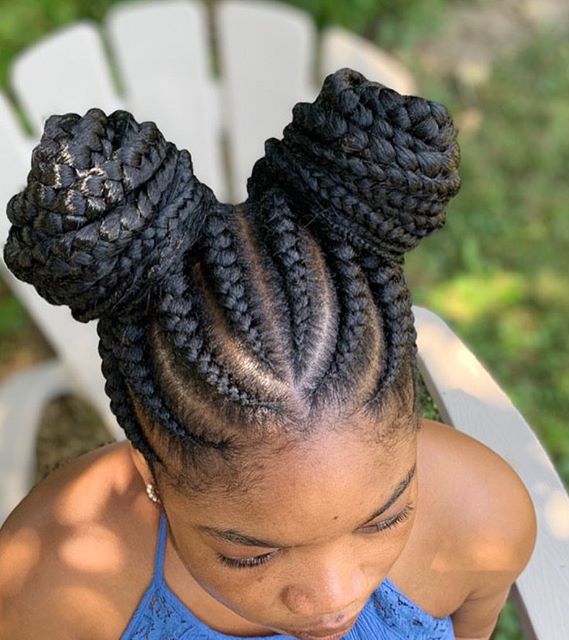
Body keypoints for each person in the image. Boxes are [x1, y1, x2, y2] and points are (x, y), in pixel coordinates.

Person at [0, 67, 536, 640]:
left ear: (410, 424)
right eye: (251, 556)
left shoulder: (484, 521)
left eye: (385, 518)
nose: (335, 596)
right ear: (146, 465)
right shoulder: (50, 589)